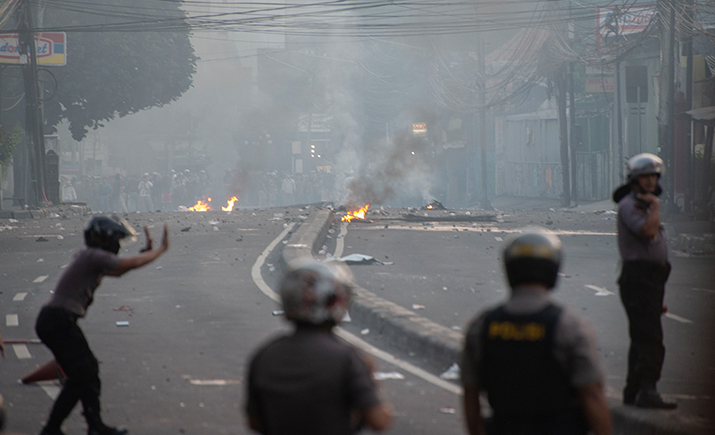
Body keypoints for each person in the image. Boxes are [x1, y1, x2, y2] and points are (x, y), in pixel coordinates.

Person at [461, 229, 611, 435]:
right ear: (553, 269)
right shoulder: (569, 327)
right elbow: (592, 394)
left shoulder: (481, 326)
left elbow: (471, 395)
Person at [35, 216, 169, 435]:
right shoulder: (93, 256)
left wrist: (145, 255)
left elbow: (120, 270)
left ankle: (92, 425)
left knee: (87, 371)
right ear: (103, 240)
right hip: (57, 321)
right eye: (115, 240)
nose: (117, 246)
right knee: (82, 374)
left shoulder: (91, 258)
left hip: (57, 321)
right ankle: (54, 428)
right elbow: (128, 264)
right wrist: (160, 250)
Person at [245, 259, 392, 435]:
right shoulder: (348, 358)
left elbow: (254, 421)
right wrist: (371, 383)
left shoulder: (264, 355)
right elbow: (378, 421)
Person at [612, 153, 677, 409]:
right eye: (645, 177)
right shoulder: (631, 205)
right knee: (650, 337)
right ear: (634, 180)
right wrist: (657, 207)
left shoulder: (645, 204)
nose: (650, 182)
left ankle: (633, 391)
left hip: (652, 279)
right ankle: (648, 389)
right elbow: (648, 231)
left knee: (641, 335)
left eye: (653, 176)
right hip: (639, 279)